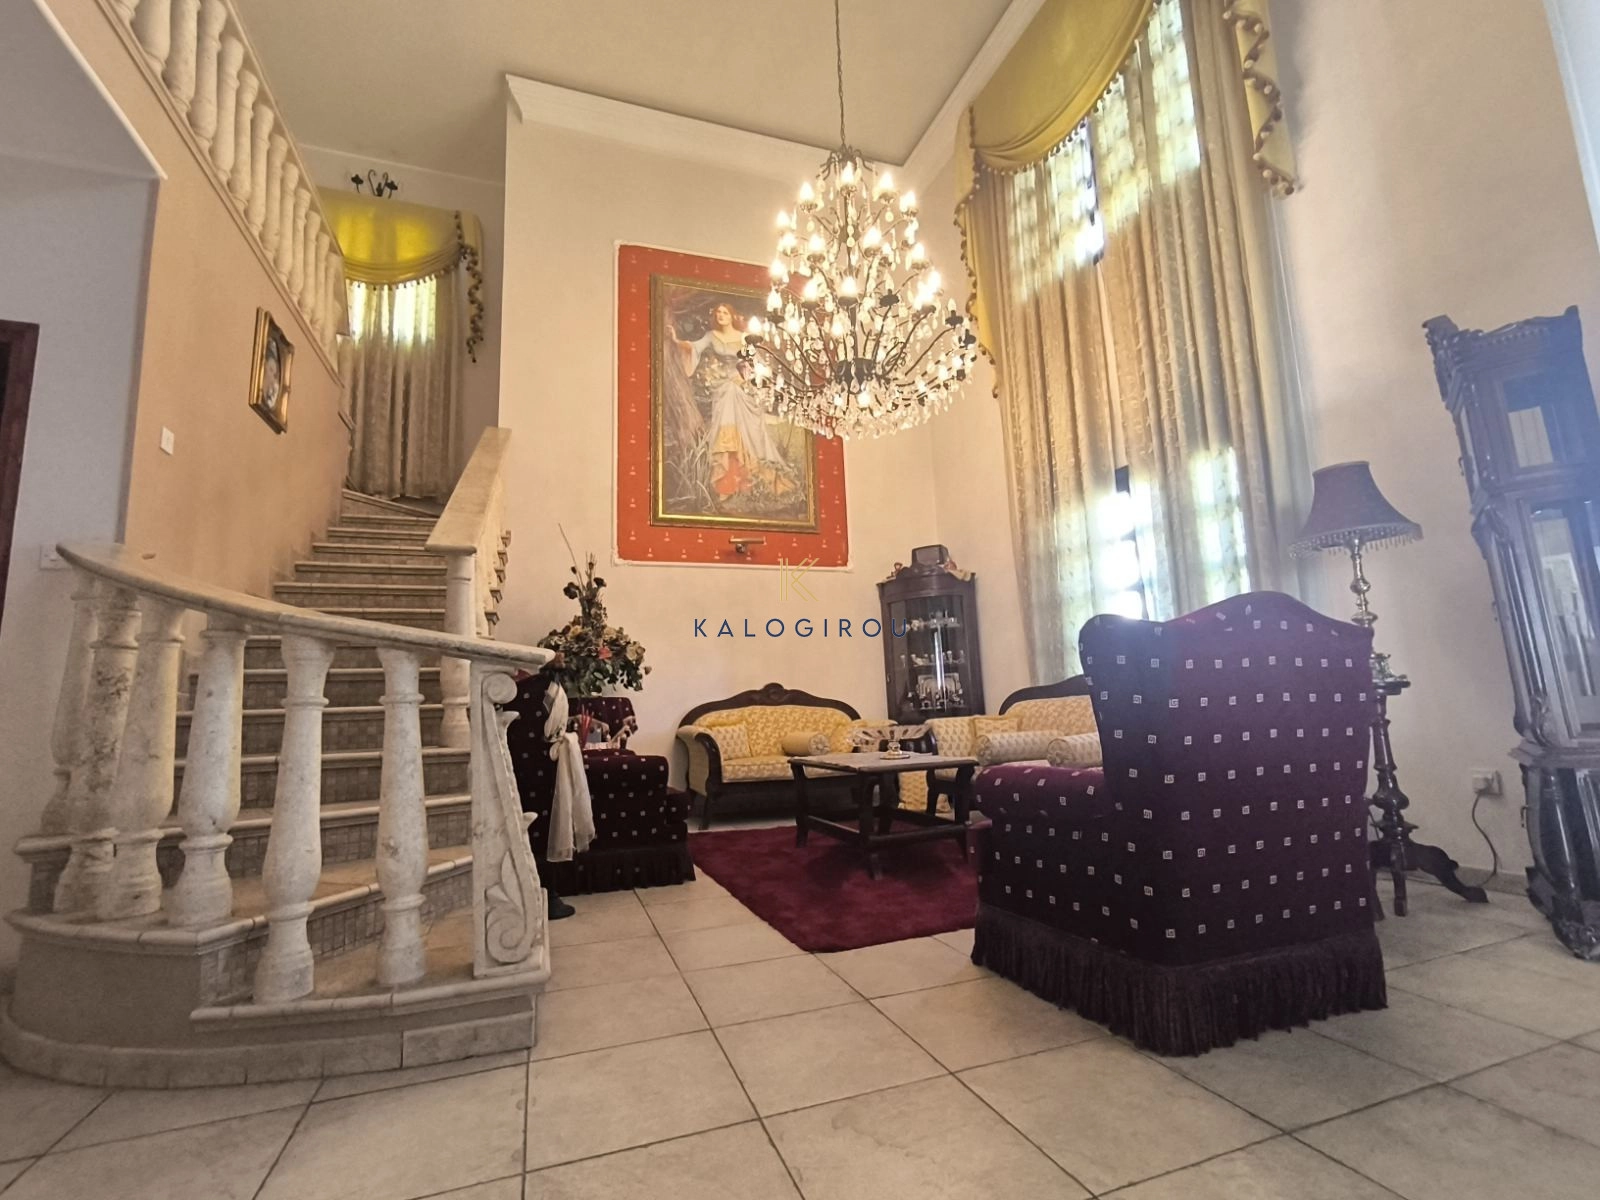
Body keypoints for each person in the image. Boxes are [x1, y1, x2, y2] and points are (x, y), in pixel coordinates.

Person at [668, 303, 796, 502]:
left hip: (742, 386)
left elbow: (758, 363)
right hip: (723, 387)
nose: (721, 315)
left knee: (747, 432)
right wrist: (676, 340)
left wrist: (745, 377)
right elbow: (693, 348)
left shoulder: (744, 338)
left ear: (732, 316)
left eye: (725, 312)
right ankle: (727, 484)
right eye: (718, 312)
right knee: (726, 422)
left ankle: (751, 482)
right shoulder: (711, 336)